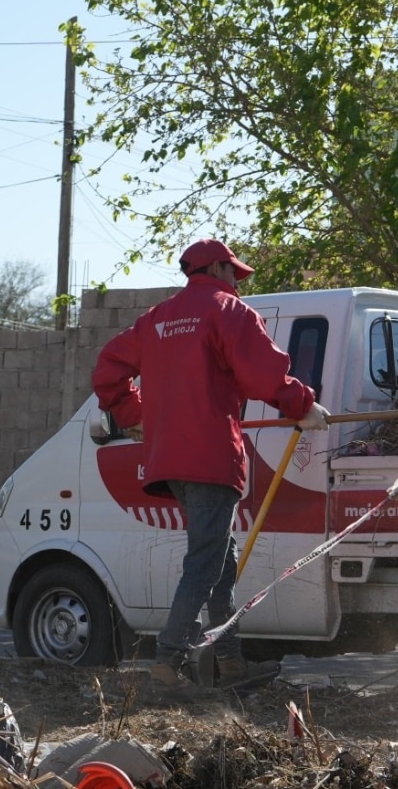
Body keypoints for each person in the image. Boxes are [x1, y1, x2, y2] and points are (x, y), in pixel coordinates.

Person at [92, 238, 328, 691]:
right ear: (217, 268)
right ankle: (168, 661)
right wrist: (302, 406)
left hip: (168, 459)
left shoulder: (157, 319)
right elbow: (264, 373)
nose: (237, 281)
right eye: (233, 272)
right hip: (211, 457)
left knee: (222, 558)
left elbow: (107, 370)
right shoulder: (229, 312)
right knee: (205, 561)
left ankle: (231, 662)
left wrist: (134, 415)